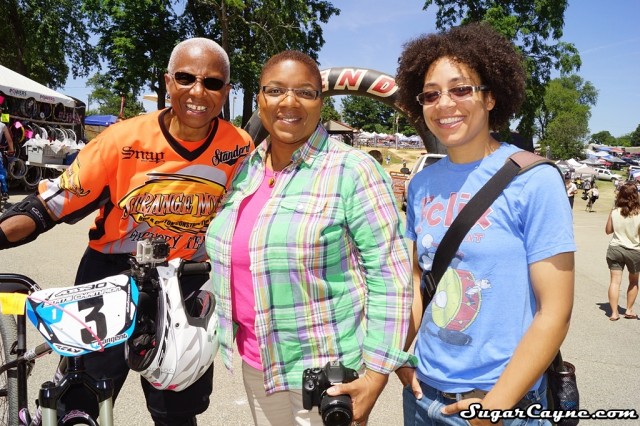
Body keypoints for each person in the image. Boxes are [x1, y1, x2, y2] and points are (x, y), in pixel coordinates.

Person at [0, 37, 253, 425]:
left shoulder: (239, 147)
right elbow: (49, 205)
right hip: (111, 275)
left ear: (226, 91)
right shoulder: (121, 140)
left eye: (212, 82)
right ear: (168, 82)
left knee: (177, 413)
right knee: (81, 405)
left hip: (186, 281)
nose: (197, 92)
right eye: (185, 78)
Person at [205, 50, 414, 426]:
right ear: (260, 100)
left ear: (321, 101)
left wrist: (377, 374)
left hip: (326, 376)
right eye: (276, 91)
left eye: (305, 91)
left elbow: (391, 279)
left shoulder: (354, 170)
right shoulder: (245, 170)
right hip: (258, 365)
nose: (289, 102)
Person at [395, 23, 575, 425]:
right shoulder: (422, 182)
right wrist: (401, 358)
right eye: (431, 94)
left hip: (502, 403)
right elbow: (415, 285)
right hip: (423, 395)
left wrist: (496, 403)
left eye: (461, 89)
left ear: (491, 96)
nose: (444, 104)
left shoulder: (535, 178)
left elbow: (556, 310)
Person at [605, 181, 640, 321]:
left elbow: (608, 231)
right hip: (634, 251)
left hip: (615, 248)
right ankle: (629, 310)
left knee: (615, 282)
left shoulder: (614, 211)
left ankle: (614, 313)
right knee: (633, 281)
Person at [0, 119, 15, 200]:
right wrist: (11, 150)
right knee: (1, 172)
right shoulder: (2, 125)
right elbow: (9, 141)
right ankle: (4, 191)